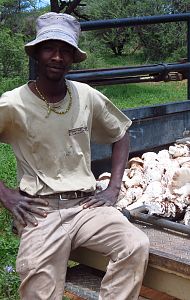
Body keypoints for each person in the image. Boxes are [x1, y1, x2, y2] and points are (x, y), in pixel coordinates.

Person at [0, 12, 149, 300]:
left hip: (86, 207)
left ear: (72, 57)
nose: (57, 57)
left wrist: (114, 187)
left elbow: (121, 132)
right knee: (38, 292)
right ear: (37, 53)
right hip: (41, 212)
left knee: (134, 244)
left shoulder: (86, 96)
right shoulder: (13, 103)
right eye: (49, 48)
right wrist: (5, 195)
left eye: (65, 50)